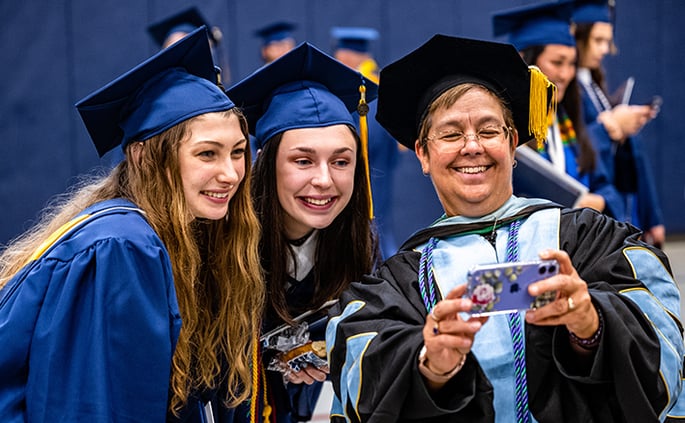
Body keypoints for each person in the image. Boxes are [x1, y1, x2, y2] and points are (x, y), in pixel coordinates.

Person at [326, 33, 683, 422]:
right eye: (450, 134)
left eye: (489, 130)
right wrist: (431, 366)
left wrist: (591, 324)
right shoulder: (398, 284)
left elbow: (662, 339)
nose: (472, 146)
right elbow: (359, 375)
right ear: (423, 155)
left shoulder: (589, 240)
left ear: (513, 144)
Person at [0, 27, 265, 422]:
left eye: (238, 153)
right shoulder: (122, 247)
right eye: (207, 154)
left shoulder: (171, 233)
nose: (230, 173)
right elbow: (96, 407)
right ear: (142, 156)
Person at [226, 43, 380, 422]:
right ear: (264, 163)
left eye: (341, 161)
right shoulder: (225, 251)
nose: (325, 180)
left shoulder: (357, 247)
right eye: (302, 160)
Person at [493, 0, 626, 220]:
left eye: (572, 64)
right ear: (525, 61)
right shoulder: (502, 129)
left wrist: (599, 201)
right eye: (557, 62)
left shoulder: (567, 120)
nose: (566, 74)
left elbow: (604, 185)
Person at [572, 0, 665, 247]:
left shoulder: (592, 84)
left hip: (615, 196)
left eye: (607, 41)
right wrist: (607, 128)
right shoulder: (568, 91)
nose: (605, 49)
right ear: (578, 38)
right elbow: (576, 146)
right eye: (598, 40)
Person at [331, 26, 401, 259]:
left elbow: (369, 140)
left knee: (372, 232)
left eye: (340, 54)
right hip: (378, 174)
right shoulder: (381, 87)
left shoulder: (365, 92)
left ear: (349, 56)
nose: (337, 58)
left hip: (368, 176)